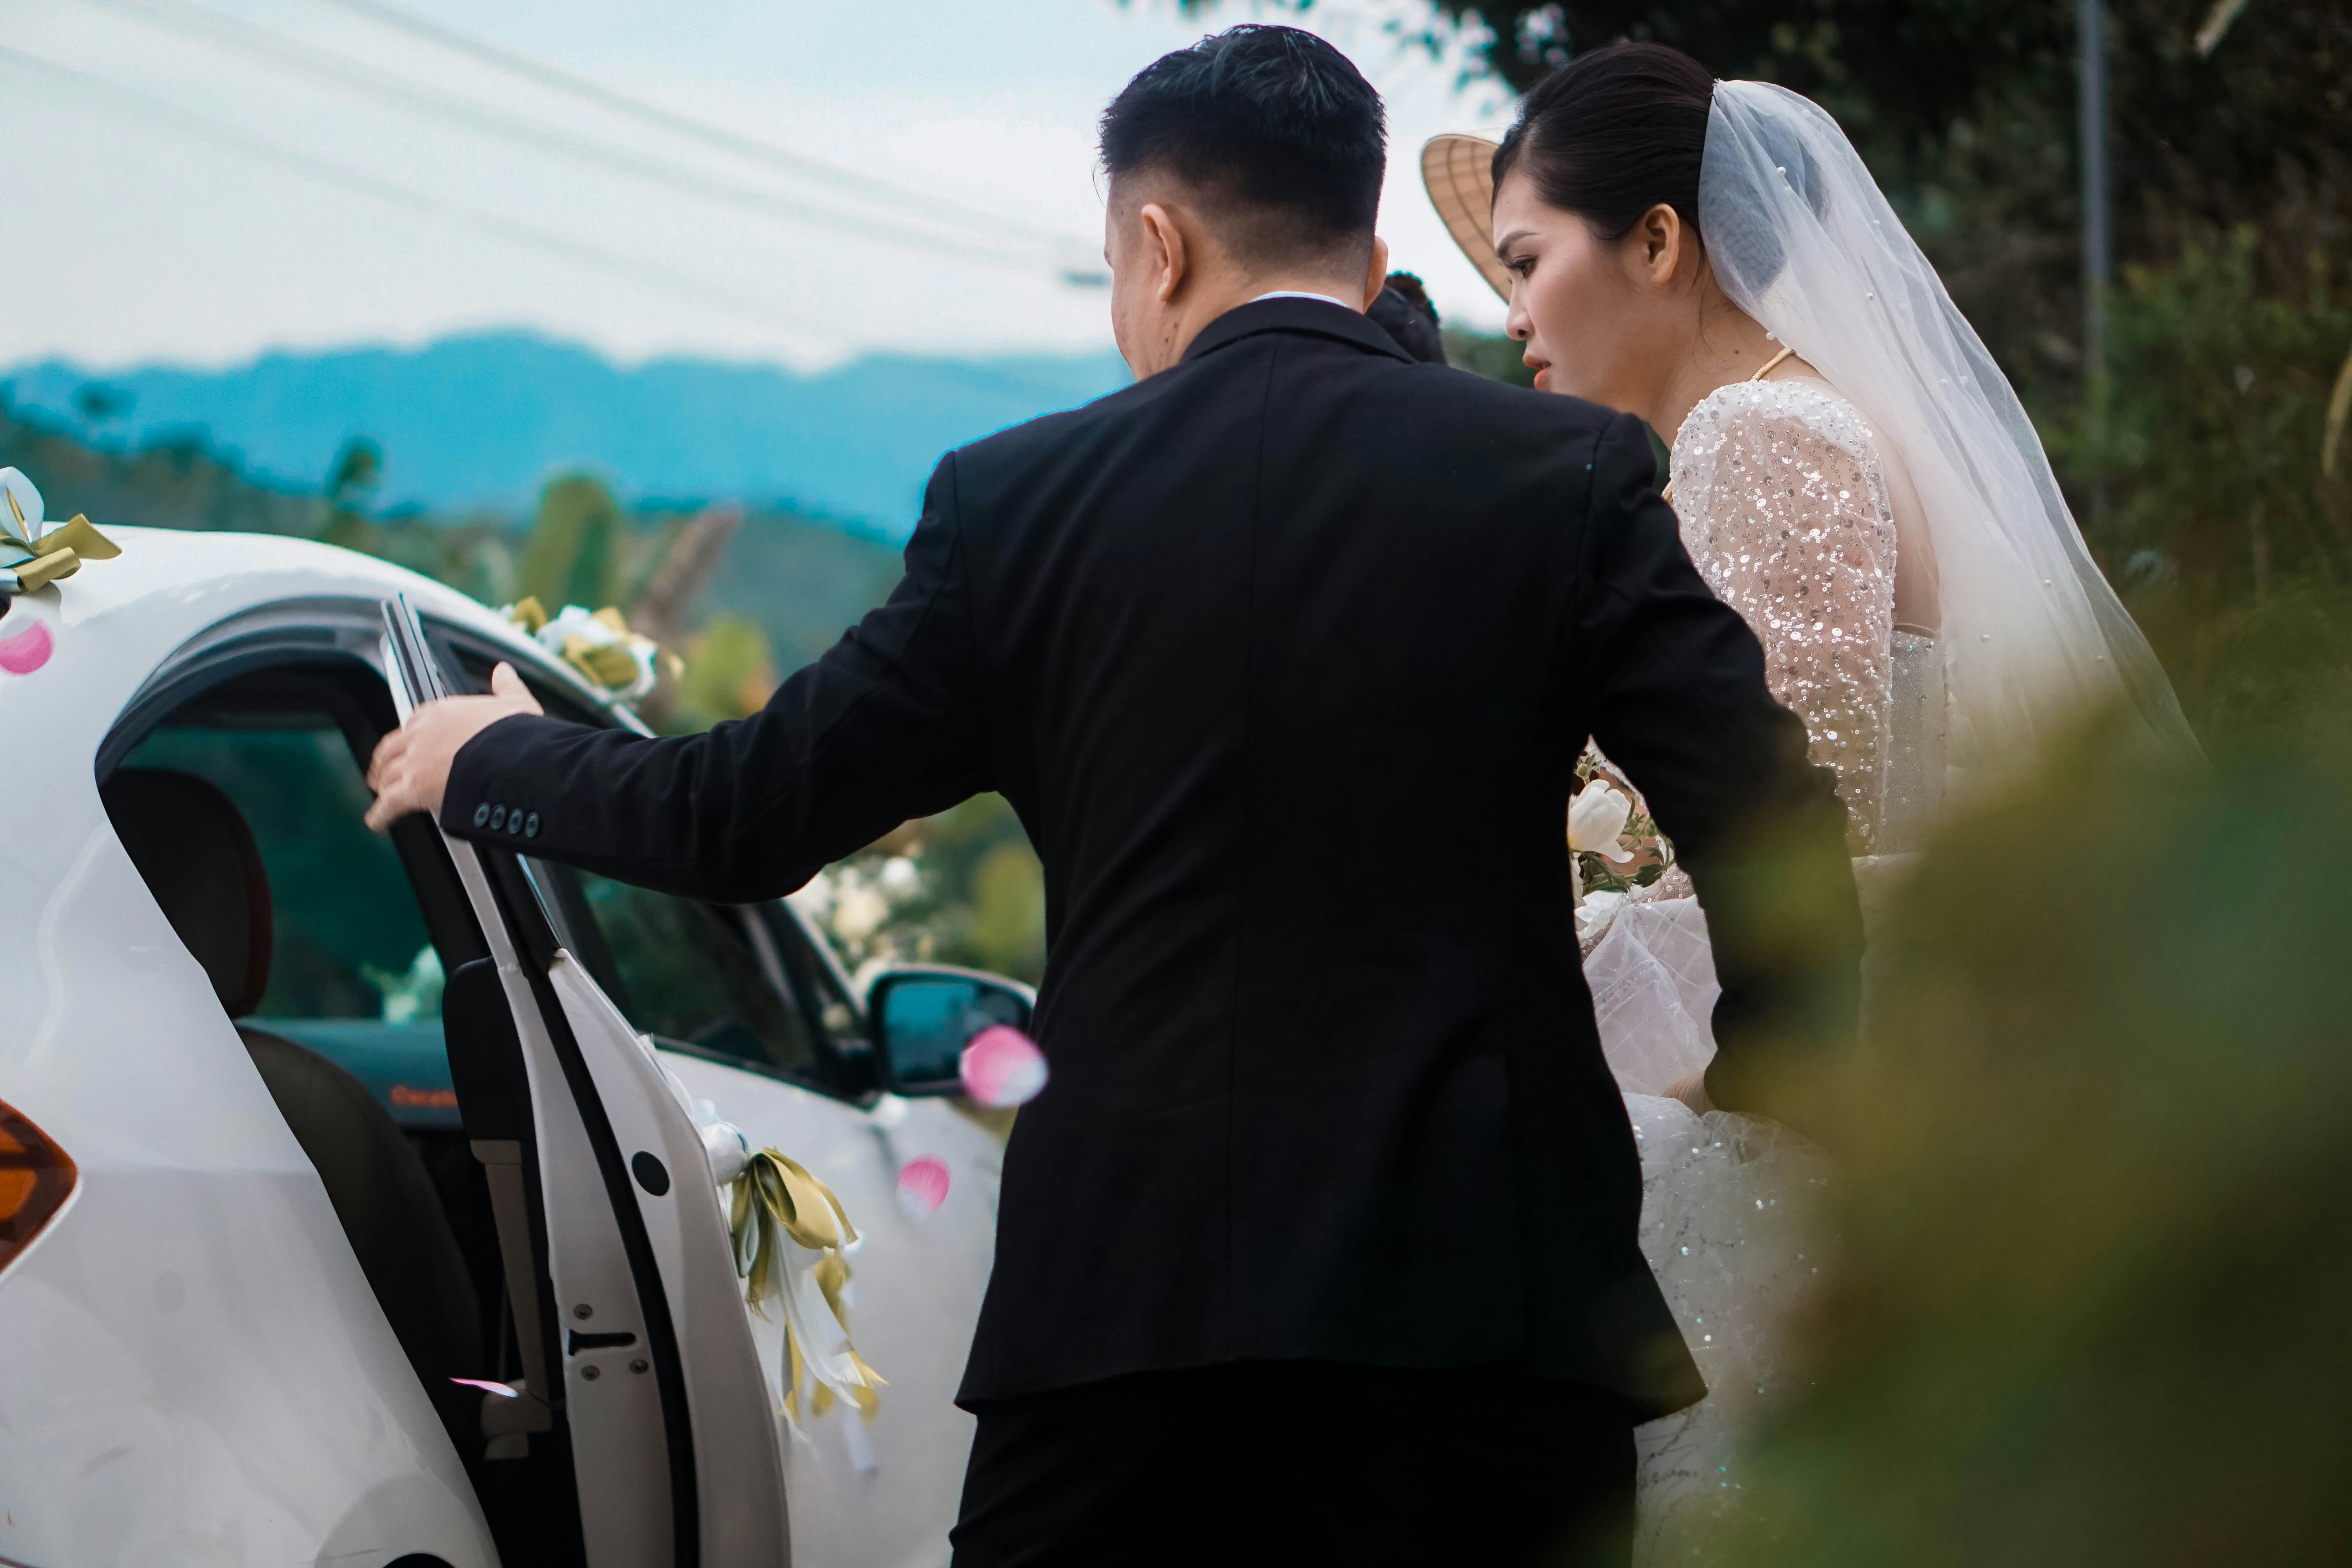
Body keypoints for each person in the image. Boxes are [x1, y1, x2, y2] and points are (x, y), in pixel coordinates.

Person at [365, 25, 1861, 1567]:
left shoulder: (1016, 503)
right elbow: (1769, 823)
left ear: (1158, 244)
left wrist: (495, 756)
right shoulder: (1571, 476)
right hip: (1487, 1327)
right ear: (1372, 246)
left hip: (1124, 1333)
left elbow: (748, 814)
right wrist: (1765, 1077)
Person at [1426, 42, 2198, 1561]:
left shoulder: (1760, 437)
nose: (1510, 311)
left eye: (1528, 261)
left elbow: (1794, 854)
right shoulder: (1818, 421)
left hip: (1768, 1141)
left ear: (1659, 244)